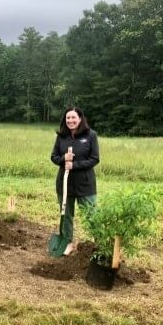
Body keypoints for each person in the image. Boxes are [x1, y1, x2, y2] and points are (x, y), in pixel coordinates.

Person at [49, 107, 99, 257]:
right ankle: (68, 242)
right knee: (66, 215)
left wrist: (75, 165)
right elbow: (54, 157)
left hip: (85, 183)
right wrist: (63, 159)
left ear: (80, 118)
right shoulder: (61, 136)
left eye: (73, 118)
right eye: (68, 118)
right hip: (65, 183)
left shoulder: (90, 135)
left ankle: (99, 242)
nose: (70, 120)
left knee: (91, 214)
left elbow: (94, 159)